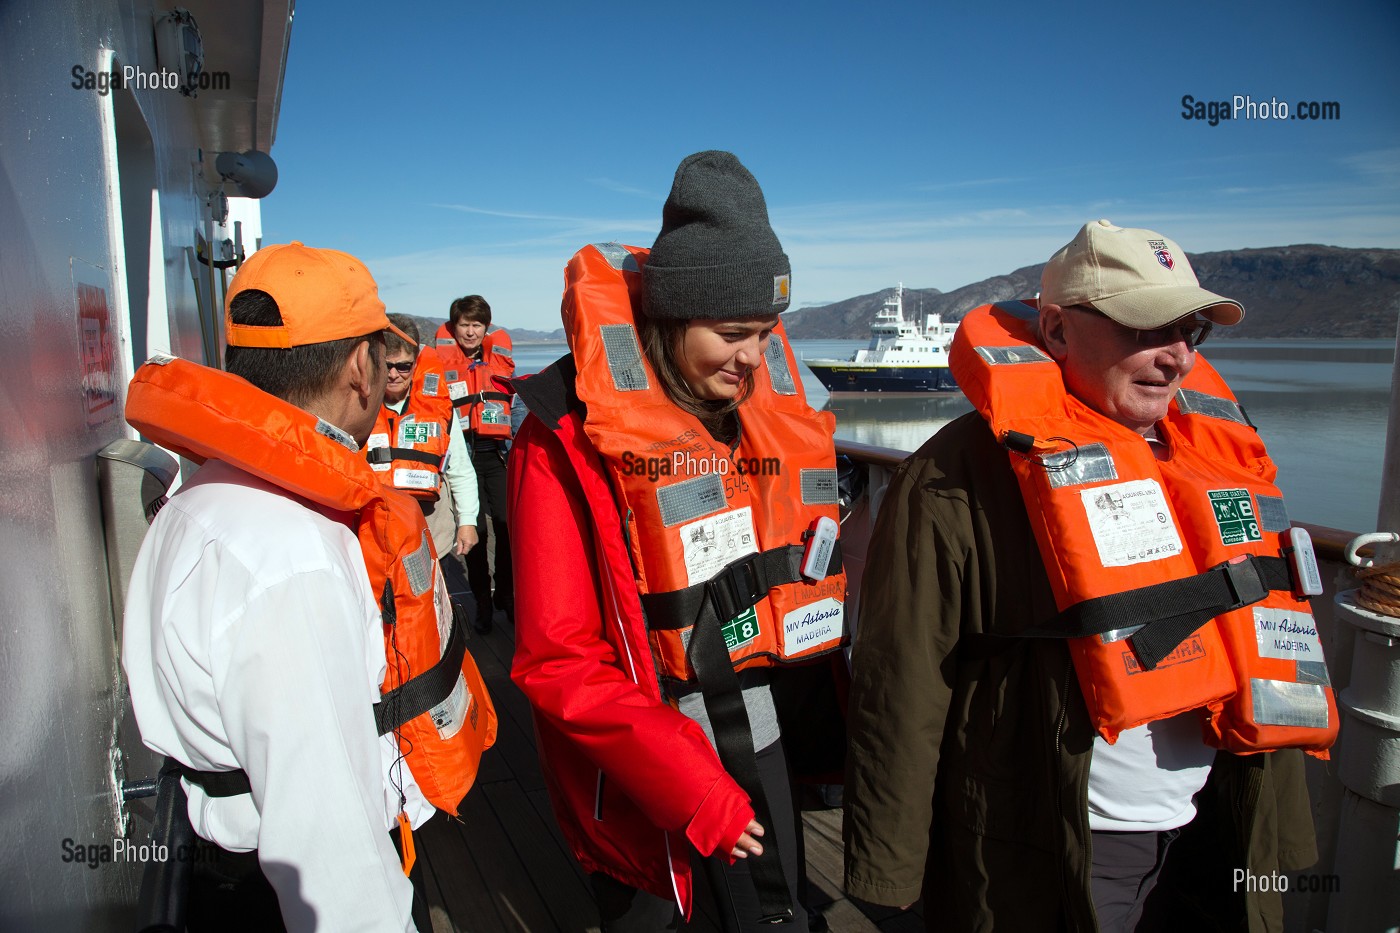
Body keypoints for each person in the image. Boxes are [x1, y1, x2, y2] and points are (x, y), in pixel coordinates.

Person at [844, 220, 1328, 932]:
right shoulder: (953, 480)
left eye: (1193, 331)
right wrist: (891, 879)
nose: (1178, 358)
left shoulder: (1212, 454)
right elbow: (903, 684)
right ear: (1056, 329)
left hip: (1223, 817)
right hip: (1066, 844)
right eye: (1148, 327)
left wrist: (1280, 837)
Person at [507, 151, 847, 931]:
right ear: (669, 314)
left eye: (766, 333)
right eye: (732, 333)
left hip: (757, 735)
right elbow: (558, 656)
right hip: (646, 778)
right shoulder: (557, 433)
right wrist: (694, 790)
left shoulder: (750, 409)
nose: (754, 359)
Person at [122, 242, 496, 932]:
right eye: (381, 356)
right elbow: (330, 849)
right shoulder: (294, 555)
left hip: (211, 849)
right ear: (362, 366)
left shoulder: (199, 495)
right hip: (267, 887)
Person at [366, 313, 480, 584]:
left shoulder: (439, 411)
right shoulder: (358, 409)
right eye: (386, 366)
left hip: (429, 528)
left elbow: (460, 469)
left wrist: (467, 521)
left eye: (403, 366)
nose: (393, 374)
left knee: (429, 606)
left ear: (416, 365)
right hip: (372, 531)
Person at [434, 295, 514, 633]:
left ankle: (506, 596)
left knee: (506, 527)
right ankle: (483, 601)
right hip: (462, 457)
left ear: (486, 327)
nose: (470, 332)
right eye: (464, 325)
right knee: (476, 533)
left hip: (494, 453)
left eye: (477, 325)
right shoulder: (441, 363)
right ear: (454, 328)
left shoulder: (496, 356)